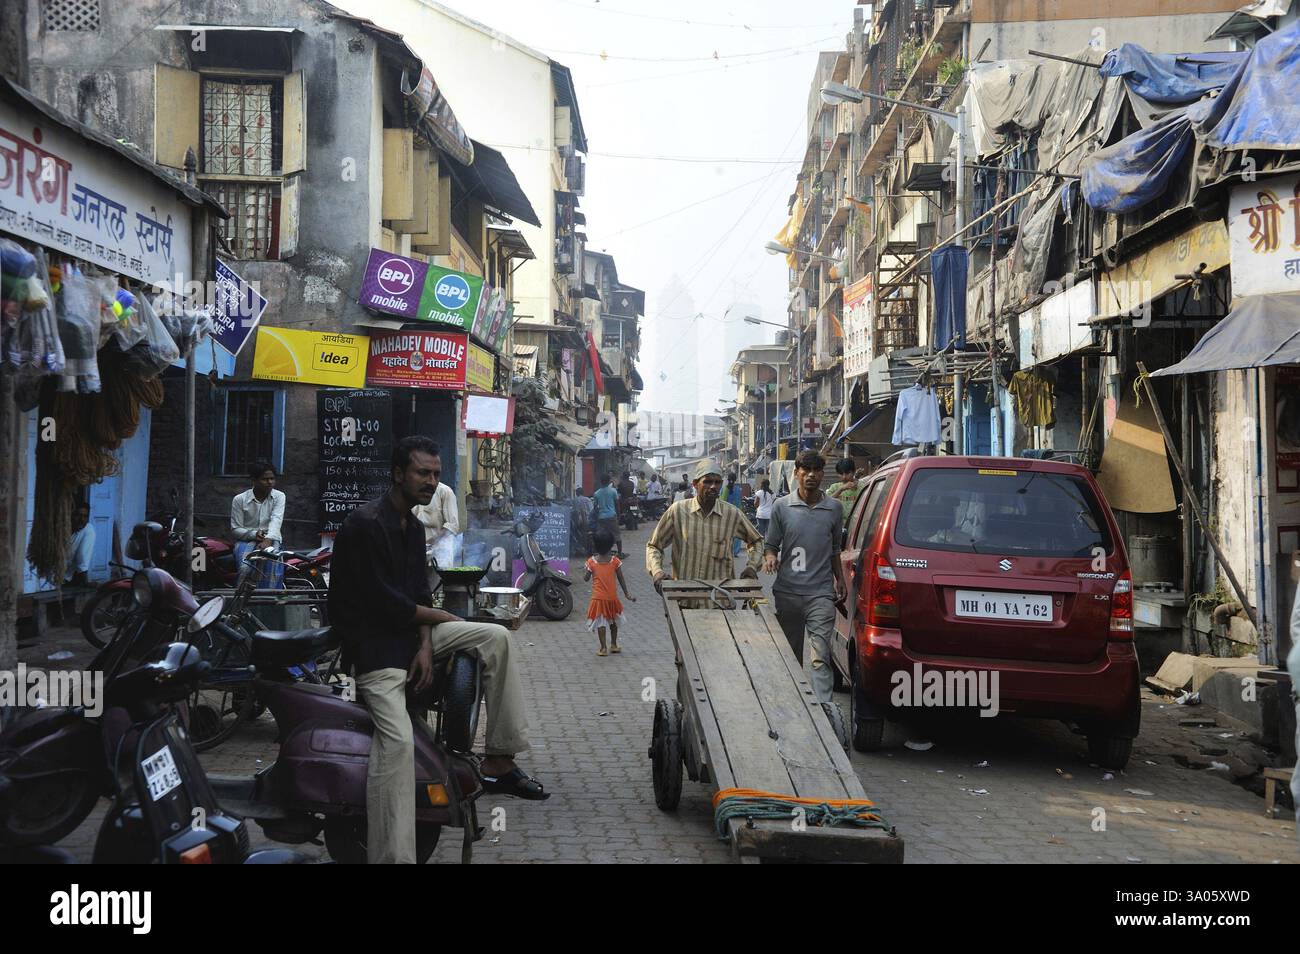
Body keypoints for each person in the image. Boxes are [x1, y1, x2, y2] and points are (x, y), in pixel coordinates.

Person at [328, 436, 547, 863]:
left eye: (435, 475)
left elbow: (420, 598)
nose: (431, 482)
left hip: (411, 636)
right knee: (397, 746)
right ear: (397, 474)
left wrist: (428, 642)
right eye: (422, 473)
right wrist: (436, 621)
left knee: (496, 637)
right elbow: (384, 604)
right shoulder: (364, 525)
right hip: (376, 652)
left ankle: (499, 759)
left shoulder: (413, 529)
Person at [762, 450, 846, 705]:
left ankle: (824, 711)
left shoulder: (834, 508)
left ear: (822, 475)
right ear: (796, 473)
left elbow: (834, 549)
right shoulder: (781, 507)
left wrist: (839, 579)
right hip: (788, 593)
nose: (811, 475)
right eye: (805, 470)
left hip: (820, 593)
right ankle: (794, 707)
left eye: (816, 471)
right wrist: (769, 557)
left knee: (820, 654)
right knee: (791, 654)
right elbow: (771, 544)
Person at [647, 459, 764, 594]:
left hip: (721, 601)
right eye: (708, 482)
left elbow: (757, 541)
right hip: (684, 601)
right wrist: (657, 572)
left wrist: (752, 567)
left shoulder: (732, 514)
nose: (713, 486)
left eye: (718, 482)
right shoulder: (677, 511)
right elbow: (654, 546)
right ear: (695, 484)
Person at [230, 461, 286, 588]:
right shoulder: (240, 499)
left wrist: (268, 539)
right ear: (254, 480)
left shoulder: (279, 496)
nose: (270, 482)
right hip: (247, 540)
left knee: (272, 569)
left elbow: (276, 520)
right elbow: (235, 529)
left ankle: (269, 602)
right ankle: (243, 600)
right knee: (245, 567)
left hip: (271, 538)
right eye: (265, 479)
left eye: (272, 479)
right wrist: (254, 534)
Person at [584, 527, 635, 657]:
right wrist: (626, 594)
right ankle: (613, 644)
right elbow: (621, 578)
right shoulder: (615, 561)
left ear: (595, 545)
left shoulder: (592, 562)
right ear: (611, 544)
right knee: (613, 621)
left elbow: (585, 578)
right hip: (612, 597)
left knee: (601, 622)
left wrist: (586, 572)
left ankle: (603, 648)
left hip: (598, 598)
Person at [592, 474, 623, 558]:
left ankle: (599, 552)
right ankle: (620, 553)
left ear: (601, 482)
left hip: (601, 517)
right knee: (616, 534)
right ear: (609, 481)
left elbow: (595, 508)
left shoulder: (596, 493)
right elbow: (617, 504)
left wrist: (597, 516)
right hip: (612, 516)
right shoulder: (613, 491)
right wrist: (619, 515)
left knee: (601, 535)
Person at [826, 458, 861, 527]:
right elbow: (825, 502)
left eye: (847, 473)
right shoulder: (834, 487)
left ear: (854, 472)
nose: (844, 477)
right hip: (839, 527)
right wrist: (841, 489)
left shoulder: (863, 486)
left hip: (858, 527)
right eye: (841, 474)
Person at [66, 503, 95, 586]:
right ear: (71, 515)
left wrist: (86, 582)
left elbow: (82, 557)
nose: (82, 519)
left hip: (63, 578)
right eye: (78, 515)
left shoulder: (88, 529)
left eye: (85, 516)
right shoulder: (62, 528)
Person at [572, 486, 594, 556]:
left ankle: (580, 548)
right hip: (589, 520)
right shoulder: (588, 499)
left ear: (577, 493)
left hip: (579, 522)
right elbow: (592, 510)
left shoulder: (575, 500)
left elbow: (574, 511)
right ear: (583, 493)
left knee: (576, 534)